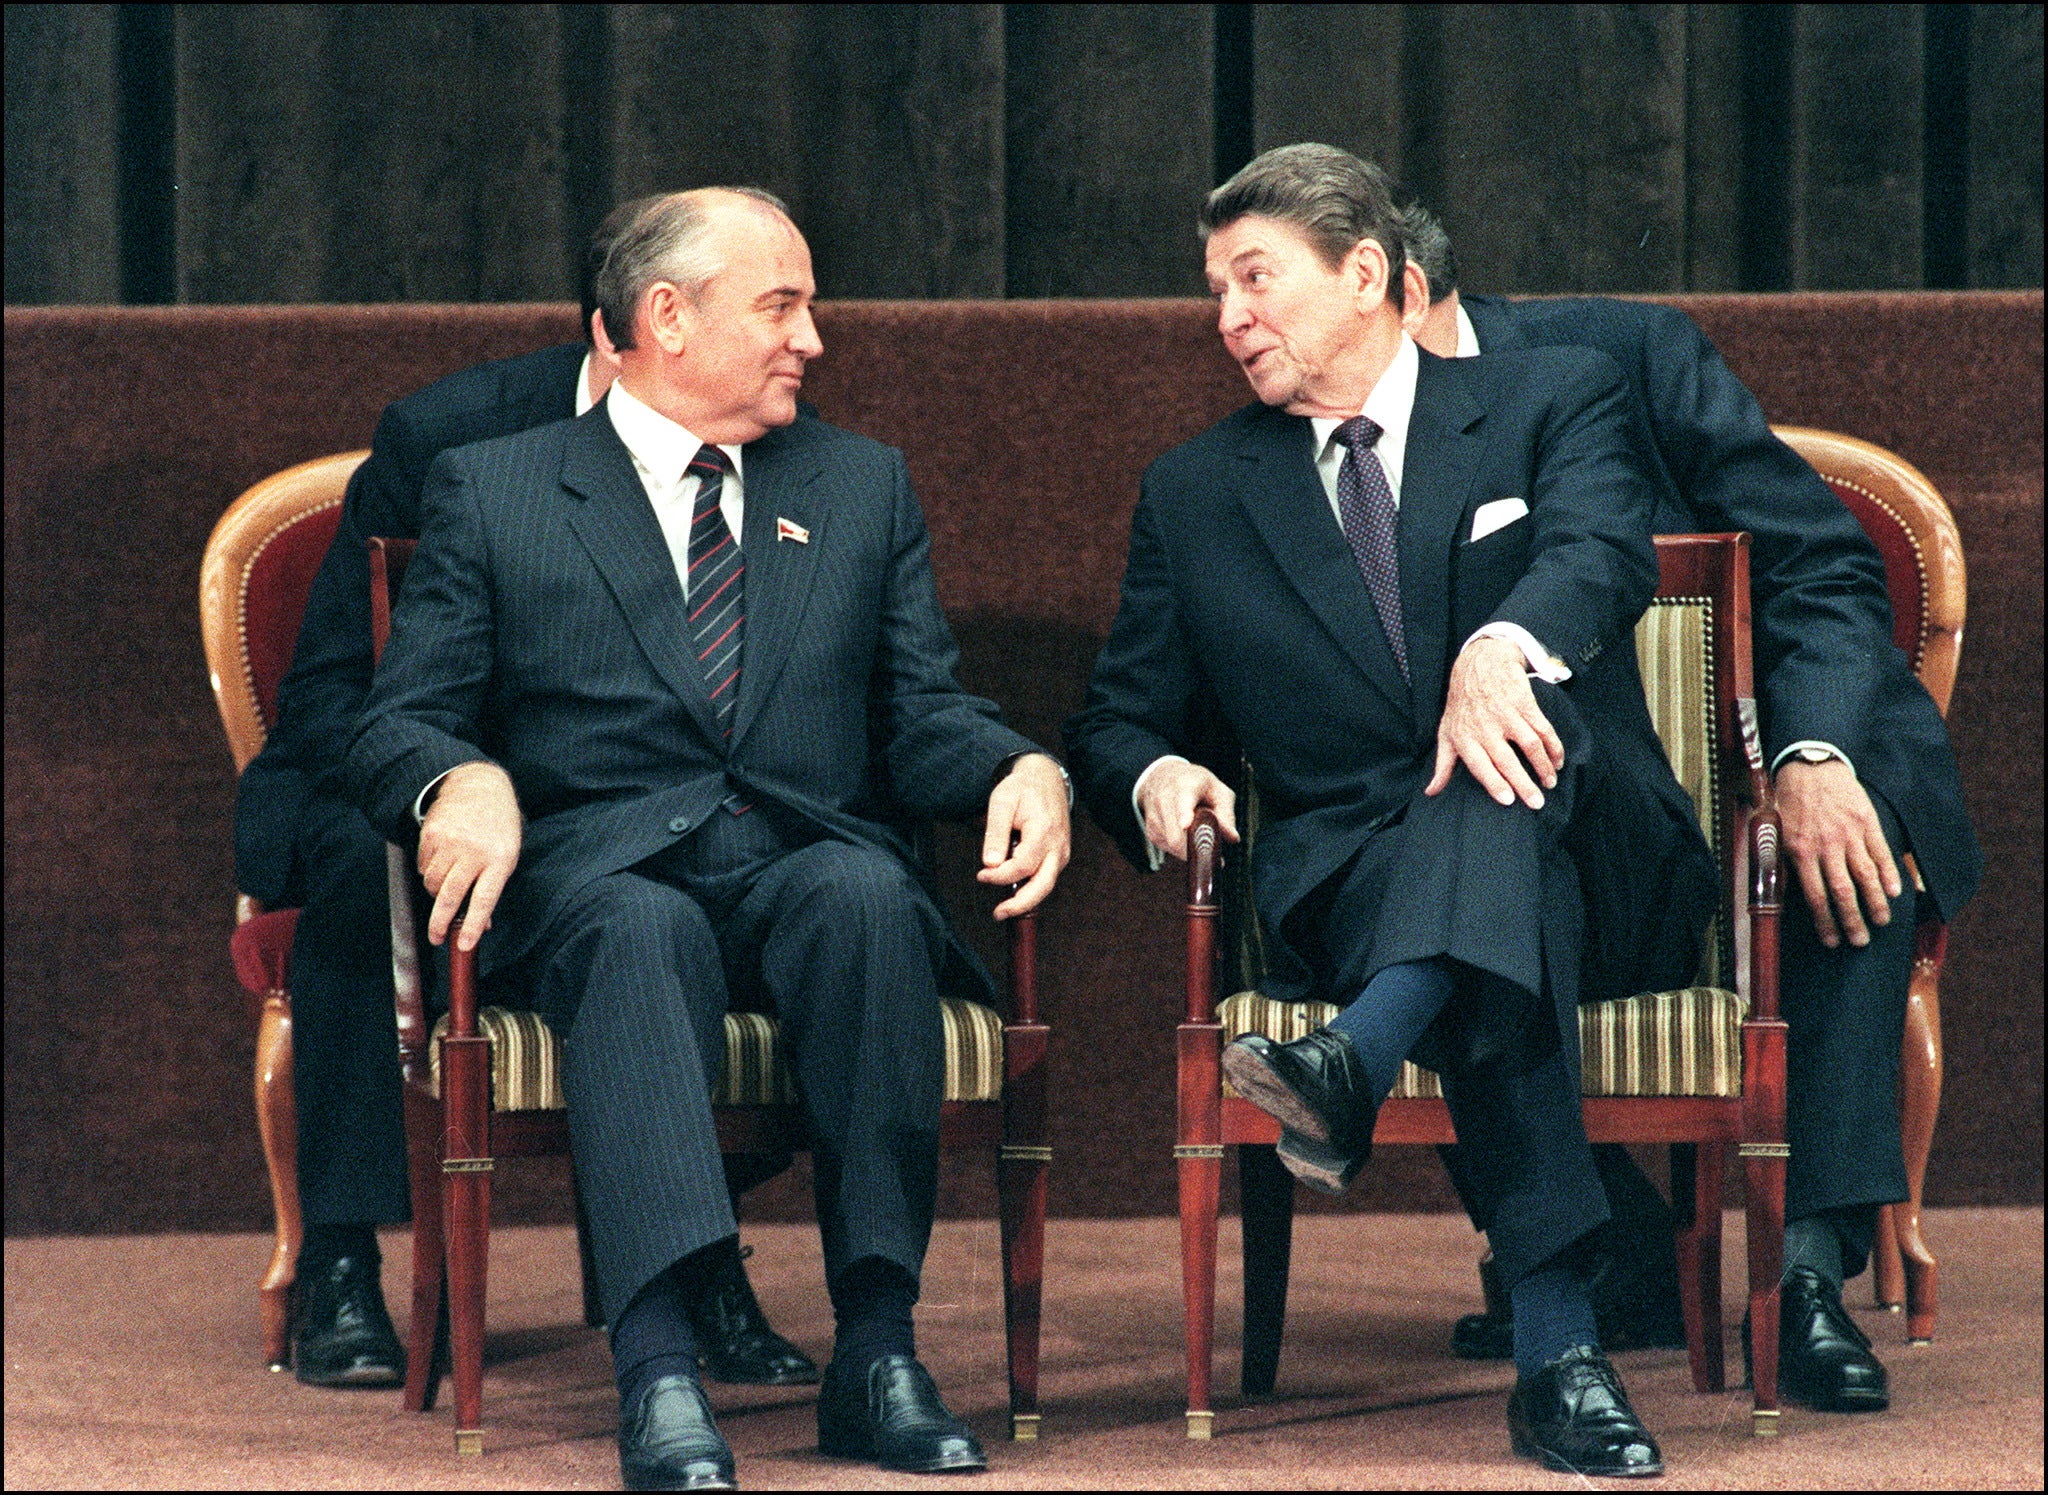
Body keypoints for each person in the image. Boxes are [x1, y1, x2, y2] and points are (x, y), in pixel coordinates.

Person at [347, 187, 1070, 1489]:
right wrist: (456, 777)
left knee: (863, 895)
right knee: (643, 922)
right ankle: (661, 1363)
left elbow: (920, 714)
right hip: (596, 883)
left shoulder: (858, 484)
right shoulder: (501, 489)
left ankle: (878, 1349)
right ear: (667, 319)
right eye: (781, 305)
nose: (813, 338)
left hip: (798, 864)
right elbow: (395, 721)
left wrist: (1020, 762)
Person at [1066, 143, 1718, 1479]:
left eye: (1257, 277)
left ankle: (1353, 1060)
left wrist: (1505, 643)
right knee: (1491, 877)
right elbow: (1116, 718)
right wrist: (1153, 775)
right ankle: (1560, 1355)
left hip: (1606, 860)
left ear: (1365, 272)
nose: (1229, 315)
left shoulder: (1551, 396)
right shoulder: (1197, 492)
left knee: (1503, 772)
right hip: (1355, 881)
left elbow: (1599, 549)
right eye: (1216, 288)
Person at [1398, 201, 1982, 1412]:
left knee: (1840, 843)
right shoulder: (1325, 434)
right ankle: (1620, 1260)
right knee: (1444, 861)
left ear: (1388, 285)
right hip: (1565, 793)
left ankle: (1806, 1274)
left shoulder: (1626, 355)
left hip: (1755, 751)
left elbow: (1816, 564)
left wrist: (1810, 753)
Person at [233, 199, 815, 1389]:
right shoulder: (449, 438)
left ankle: (690, 1253)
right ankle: (343, 1253)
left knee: (738, 849)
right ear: (634, 332)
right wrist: (452, 776)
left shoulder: (766, 434)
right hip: (413, 756)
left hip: (616, 789)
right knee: (360, 856)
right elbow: (345, 695)